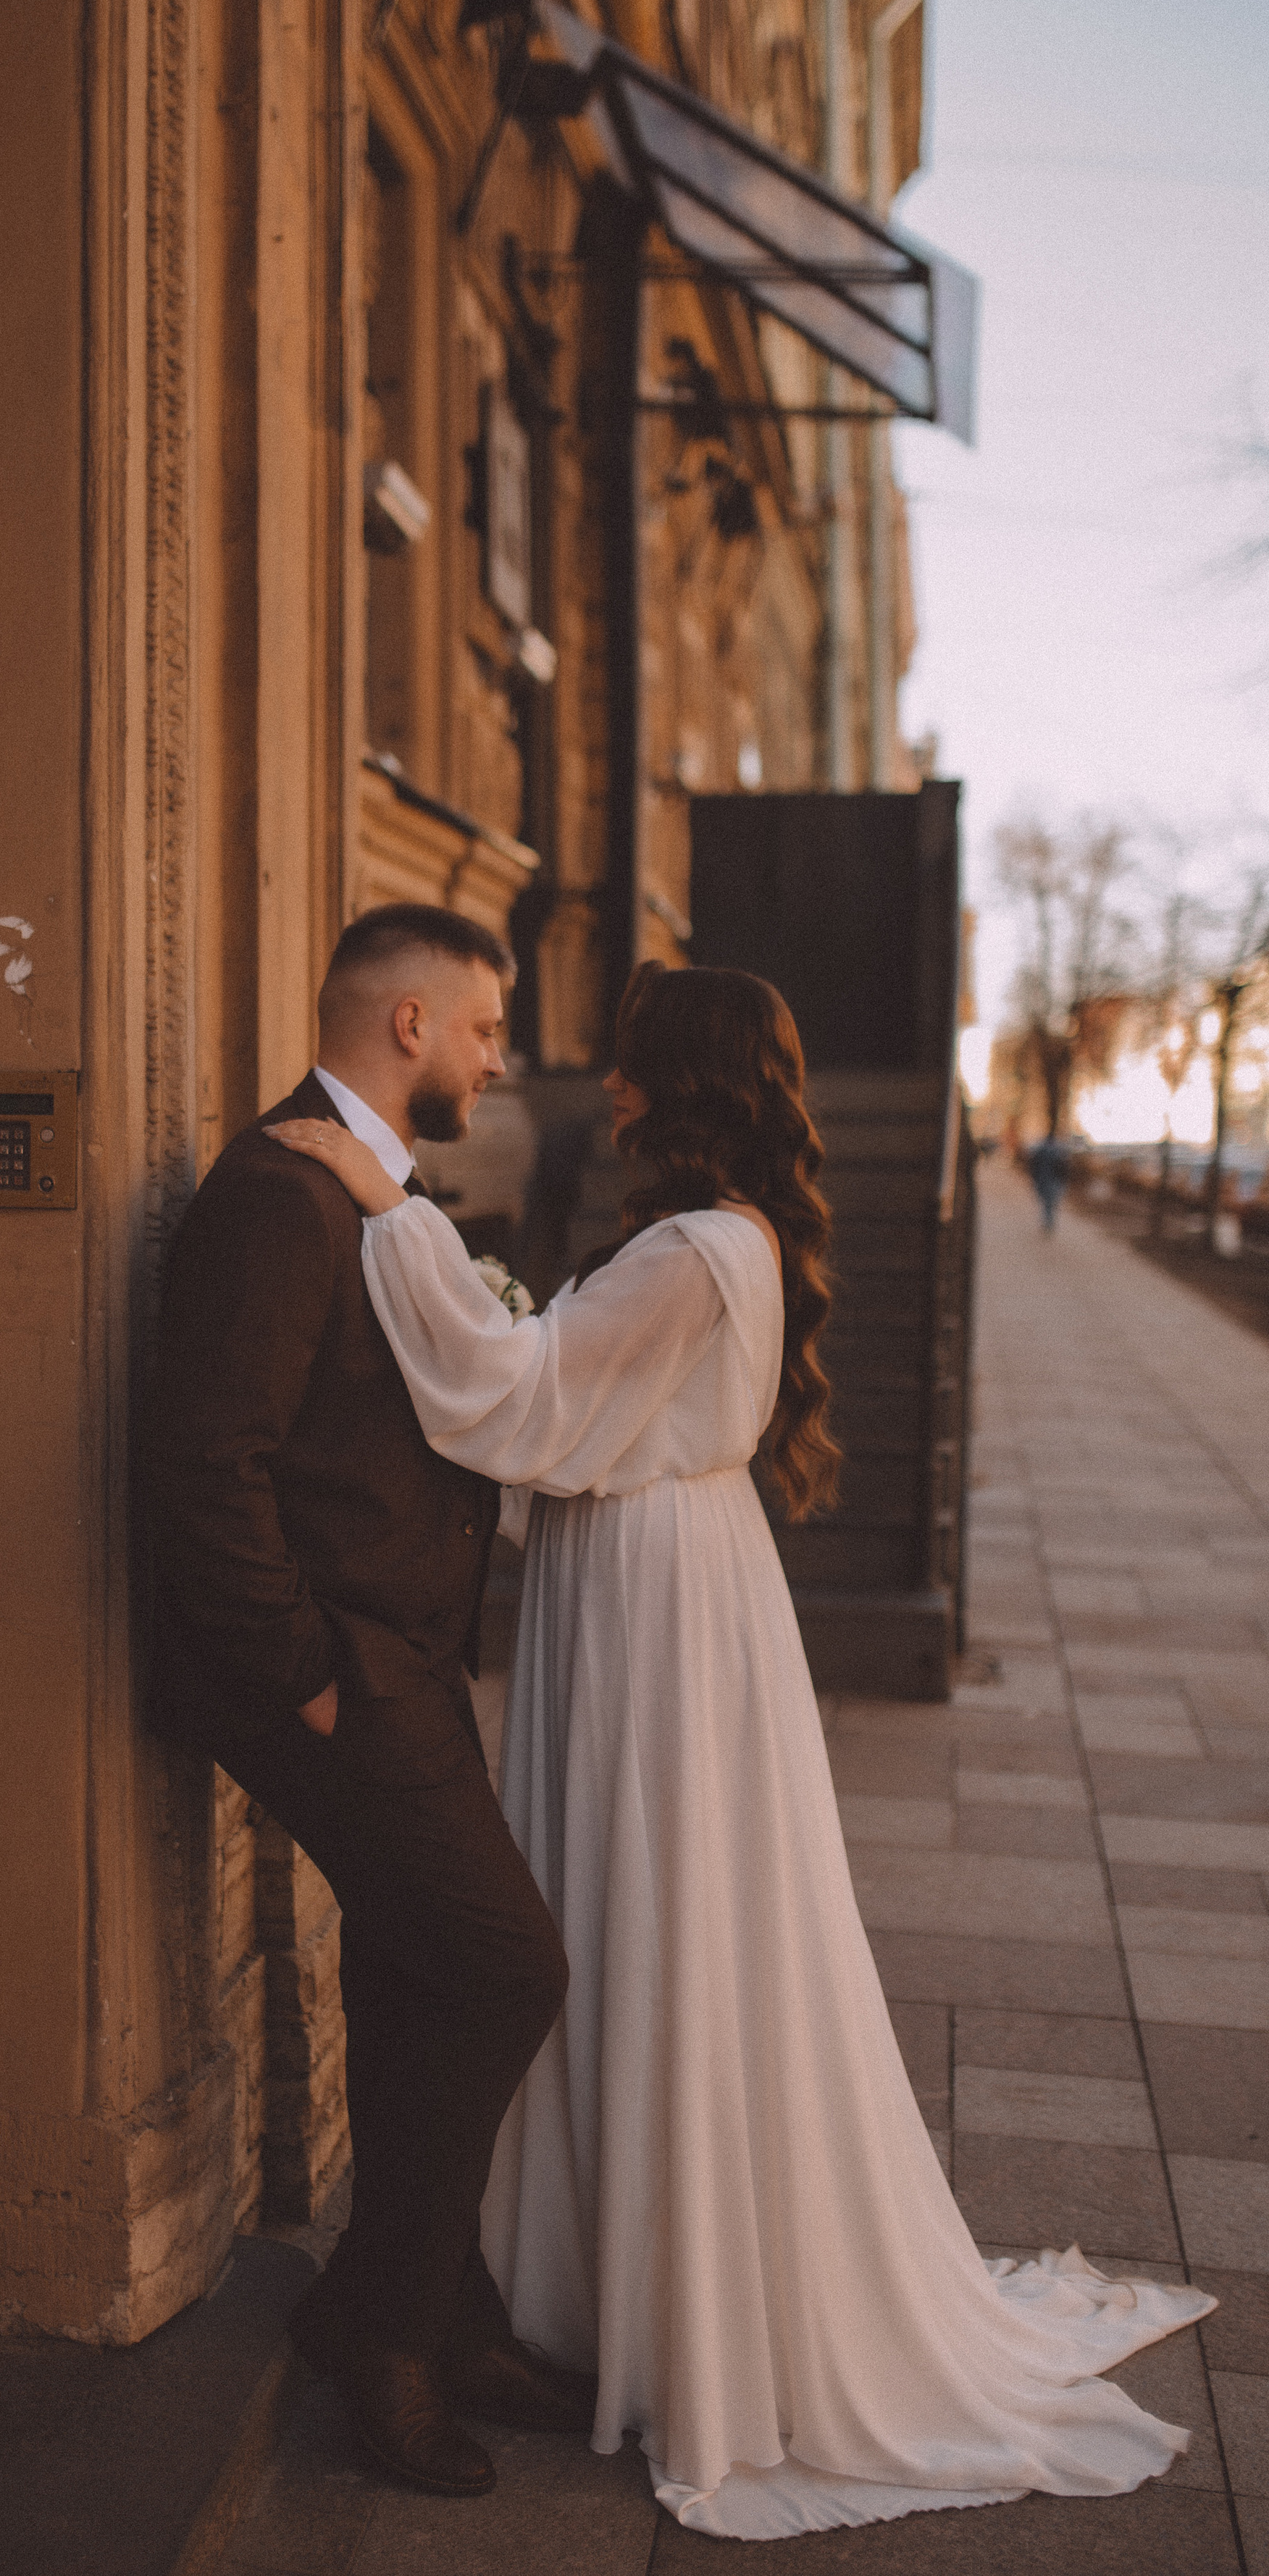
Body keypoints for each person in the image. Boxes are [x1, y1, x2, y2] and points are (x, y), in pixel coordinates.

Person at [267, 962, 1213, 2543]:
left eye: (631, 1062)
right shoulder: (710, 1239)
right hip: (642, 1584)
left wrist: (387, 1207)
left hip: (652, 1605)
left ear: (682, 1081)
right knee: (631, 1919)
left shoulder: (697, 1249)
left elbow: (518, 1388)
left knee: (658, 1924)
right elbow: (565, 1390)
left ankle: (655, 2293)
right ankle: (597, 2273)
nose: (605, 1080)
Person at [147, 903, 591, 2501]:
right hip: (338, 1676)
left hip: (400, 1662)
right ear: (405, 1026)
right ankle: (385, 2332)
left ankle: (439, 2309)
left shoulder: (371, 1190)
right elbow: (209, 1463)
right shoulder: (279, 1194)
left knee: (418, 1980)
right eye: (481, 1027)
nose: (494, 1054)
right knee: (504, 1966)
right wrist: (304, 1681)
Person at [1027, 1130, 1071, 1232]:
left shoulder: (1040, 1149)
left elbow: (1033, 1165)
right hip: (1054, 1180)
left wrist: (1034, 1177)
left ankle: (1048, 1221)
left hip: (1043, 1179)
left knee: (1046, 1202)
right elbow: (1065, 1167)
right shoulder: (1060, 1150)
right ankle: (1049, 1221)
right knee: (1051, 1202)